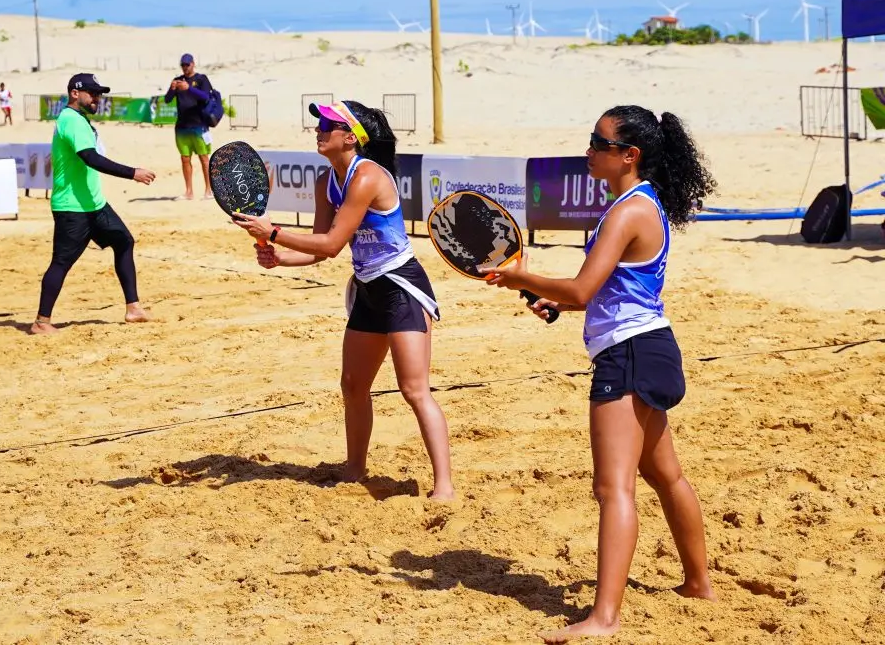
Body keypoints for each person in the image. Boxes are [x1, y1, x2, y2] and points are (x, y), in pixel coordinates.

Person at [481, 105, 718, 643]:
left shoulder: (626, 212)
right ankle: (698, 584)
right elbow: (603, 291)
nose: (588, 149)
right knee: (665, 476)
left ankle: (604, 618)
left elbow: (584, 288)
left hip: (628, 354)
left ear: (629, 155)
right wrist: (556, 302)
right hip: (650, 346)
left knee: (613, 488)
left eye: (598, 141)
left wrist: (521, 278)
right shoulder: (641, 203)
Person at [232, 100, 456, 501]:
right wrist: (280, 257)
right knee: (353, 385)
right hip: (368, 287)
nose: (318, 130)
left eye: (327, 125)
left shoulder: (367, 176)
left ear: (350, 137)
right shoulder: (326, 181)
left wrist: (274, 232)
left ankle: (444, 486)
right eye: (318, 124)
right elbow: (319, 248)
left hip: (400, 286)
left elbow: (332, 244)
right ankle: (355, 469)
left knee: (413, 389)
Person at [31, 73, 157, 335]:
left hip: (94, 204)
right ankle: (42, 322)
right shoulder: (70, 120)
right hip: (72, 208)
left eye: (99, 94)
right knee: (61, 262)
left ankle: (133, 309)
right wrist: (132, 173)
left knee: (124, 241)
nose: (97, 98)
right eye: (92, 93)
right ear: (75, 93)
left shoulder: (80, 120)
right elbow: (91, 158)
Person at [164, 53, 214, 200]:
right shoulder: (178, 80)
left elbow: (206, 97)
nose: (185, 67)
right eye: (183, 65)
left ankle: (209, 190)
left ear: (193, 64)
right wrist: (172, 89)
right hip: (182, 126)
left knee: (204, 158)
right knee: (185, 158)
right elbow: (167, 100)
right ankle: (189, 191)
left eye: (187, 64)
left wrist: (189, 89)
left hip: (199, 125)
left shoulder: (201, 79)